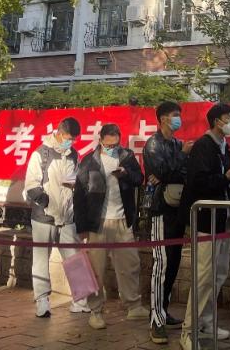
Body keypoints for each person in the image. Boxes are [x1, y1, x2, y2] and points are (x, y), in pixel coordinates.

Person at [179, 103, 230, 350]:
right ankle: (188, 330)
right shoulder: (204, 146)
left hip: (222, 218)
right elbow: (199, 182)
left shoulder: (224, 146)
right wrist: (225, 177)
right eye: (228, 118)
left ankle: (205, 321)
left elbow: (221, 181)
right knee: (204, 276)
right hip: (206, 220)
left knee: (219, 273)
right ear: (217, 121)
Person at [74, 123, 145, 329]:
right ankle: (95, 311)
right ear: (101, 140)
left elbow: (139, 179)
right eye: (109, 145)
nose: (112, 148)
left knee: (130, 265)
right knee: (95, 269)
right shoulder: (89, 161)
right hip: (98, 223)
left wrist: (126, 173)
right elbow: (79, 196)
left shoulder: (127, 156)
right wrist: (82, 227)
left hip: (122, 220)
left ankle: (133, 305)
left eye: (116, 144)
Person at [24, 116, 85, 318]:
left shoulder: (74, 155)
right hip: (44, 216)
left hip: (67, 216)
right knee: (41, 259)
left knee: (74, 257)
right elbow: (31, 185)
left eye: (74, 139)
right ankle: (42, 300)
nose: (71, 142)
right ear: (59, 133)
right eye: (68, 138)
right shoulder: (41, 153)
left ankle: (81, 299)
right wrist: (46, 202)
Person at [144, 100, 192, 344]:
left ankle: (163, 310)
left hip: (177, 209)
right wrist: (181, 157)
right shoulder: (153, 144)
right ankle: (156, 321)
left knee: (173, 263)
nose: (177, 119)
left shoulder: (176, 143)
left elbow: (178, 173)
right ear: (163, 118)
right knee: (161, 265)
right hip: (160, 210)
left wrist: (174, 167)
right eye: (174, 115)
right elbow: (162, 172)